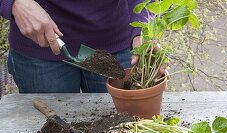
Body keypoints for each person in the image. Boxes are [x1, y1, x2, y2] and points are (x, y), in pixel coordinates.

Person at [0, 0, 148, 93]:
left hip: (114, 40)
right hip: (40, 48)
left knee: (125, 128)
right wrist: (14, 3)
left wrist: (144, 26)